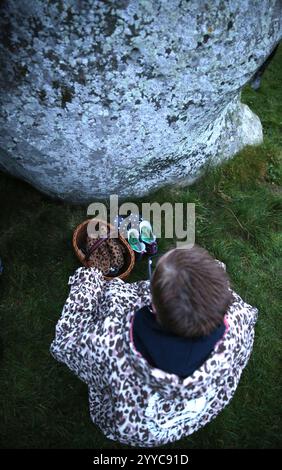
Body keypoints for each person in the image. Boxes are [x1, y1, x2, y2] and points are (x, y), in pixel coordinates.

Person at [50, 245, 258, 447]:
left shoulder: (110, 346)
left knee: (114, 296)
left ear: (155, 306)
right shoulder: (239, 319)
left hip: (134, 427)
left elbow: (66, 341)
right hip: (189, 415)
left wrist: (90, 279)